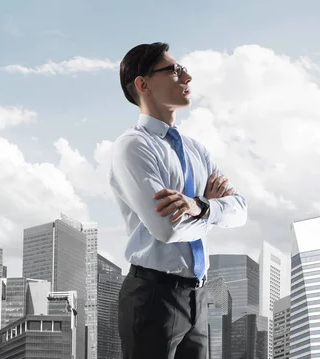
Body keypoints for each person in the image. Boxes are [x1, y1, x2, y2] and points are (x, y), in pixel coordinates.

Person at [109, 42, 248, 359]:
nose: (188, 77)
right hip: (153, 296)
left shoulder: (197, 150)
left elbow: (240, 210)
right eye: (174, 70)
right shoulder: (133, 147)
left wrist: (199, 207)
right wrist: (213, 214)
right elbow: (167, 230)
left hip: (197, 298)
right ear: (143, 85)